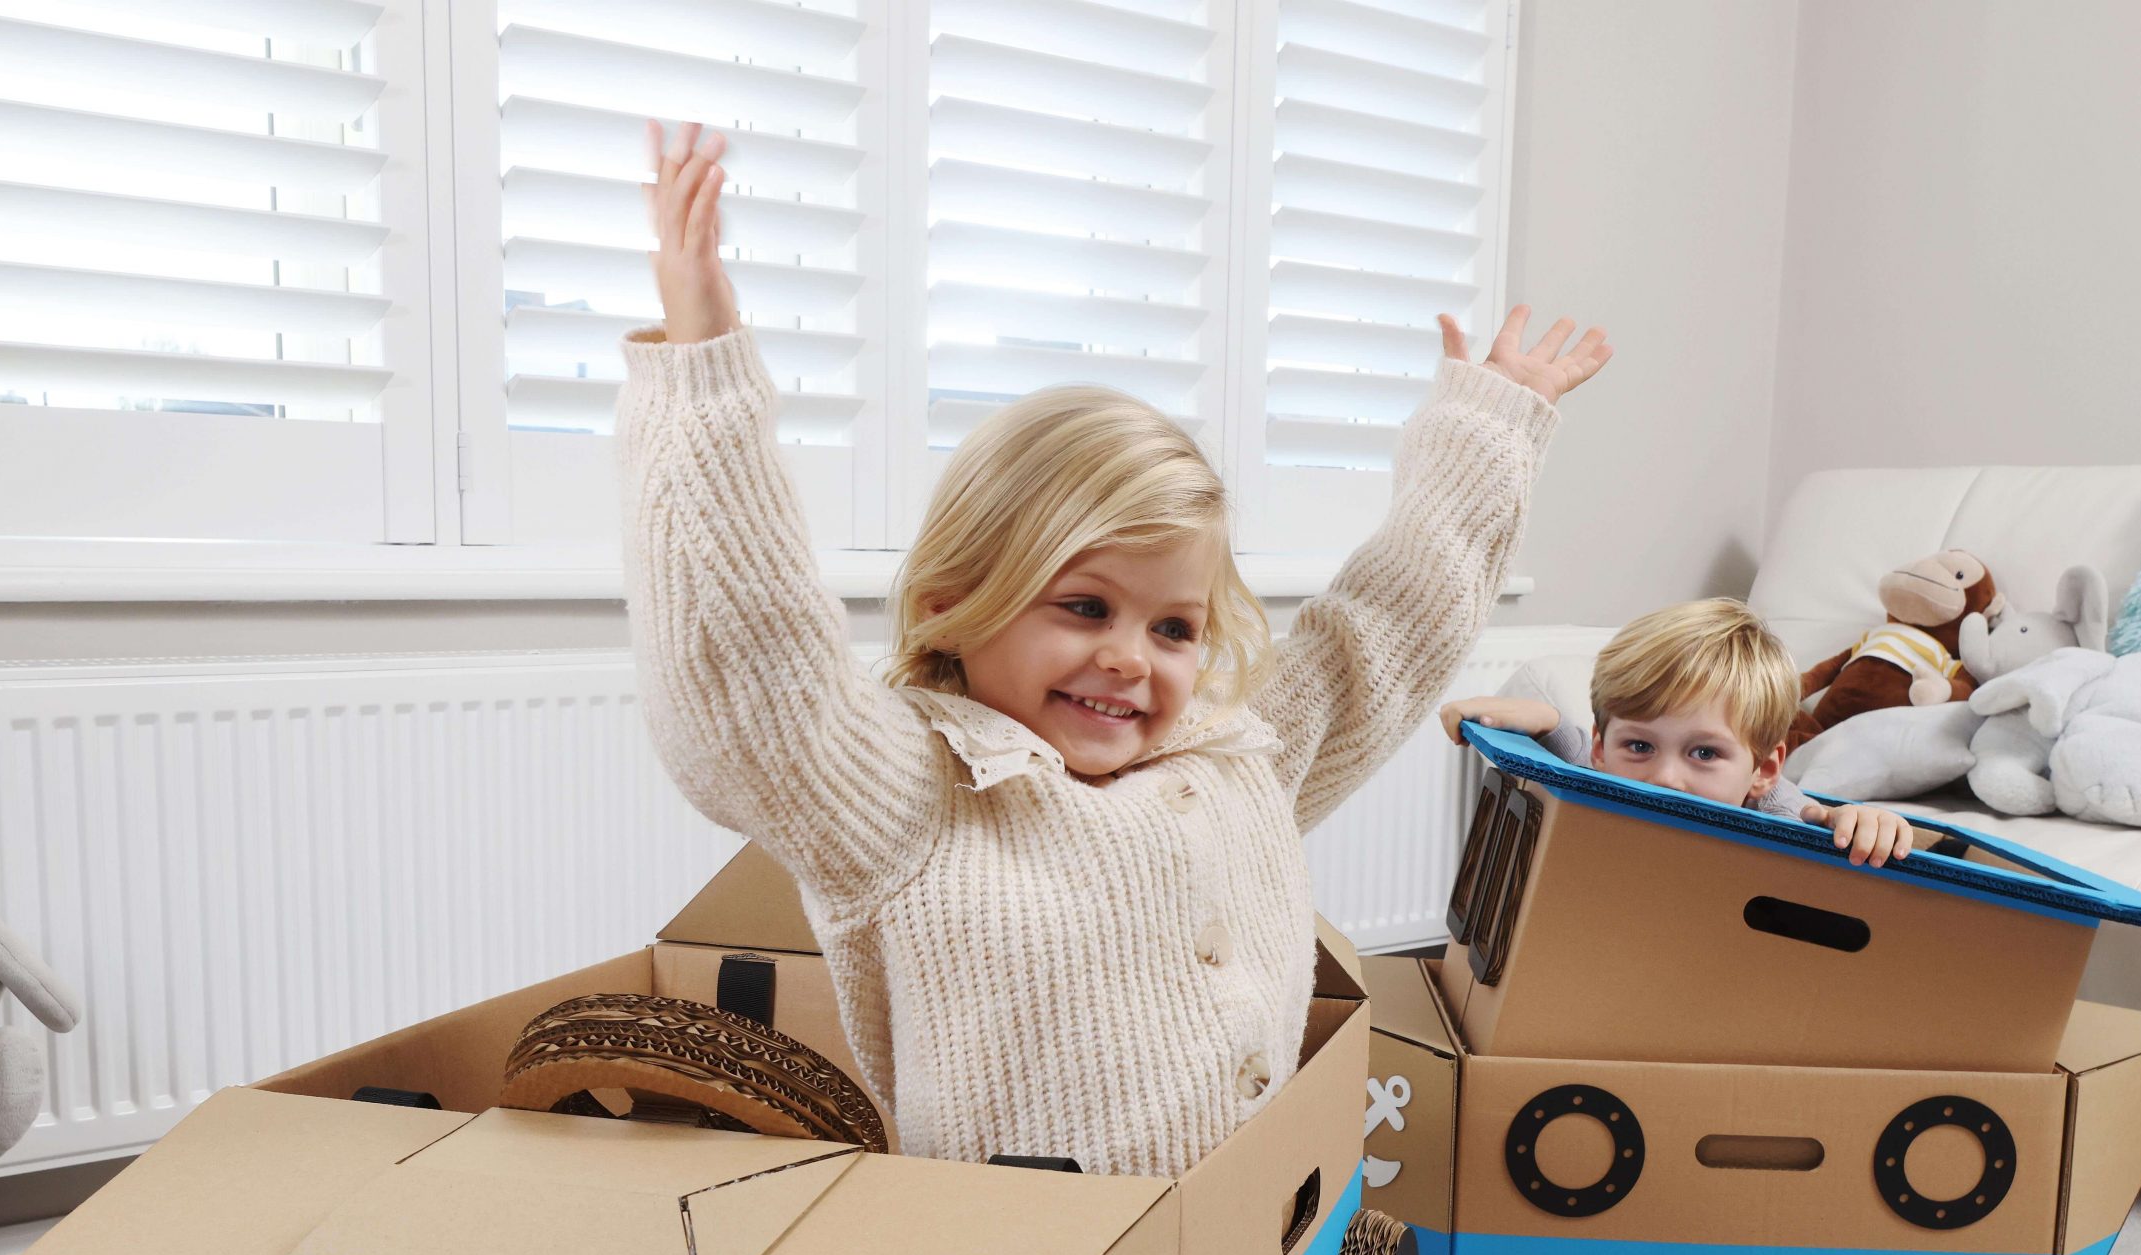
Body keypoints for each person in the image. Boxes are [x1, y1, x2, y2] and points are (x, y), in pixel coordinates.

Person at [627, 121, 1609, 1175]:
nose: (1134, 660)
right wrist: (704, 364)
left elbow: (1386, 627)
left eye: (1174, 627)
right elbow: (752, 675)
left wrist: (1489, 428)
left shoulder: (1239, 757)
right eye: (1085, 608)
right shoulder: (914, 791)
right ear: (959, 602)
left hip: (1246, 1234)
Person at [1441, 598, 1918, 865]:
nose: (1666, 777)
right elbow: (1583, 765)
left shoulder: (1784, 816)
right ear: (1606, 749)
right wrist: (1547, 722)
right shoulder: (1609, 774)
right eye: (1641, 745)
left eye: (1705, 753)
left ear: (1764, 768)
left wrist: (1861, 823)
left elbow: (1813, 818)